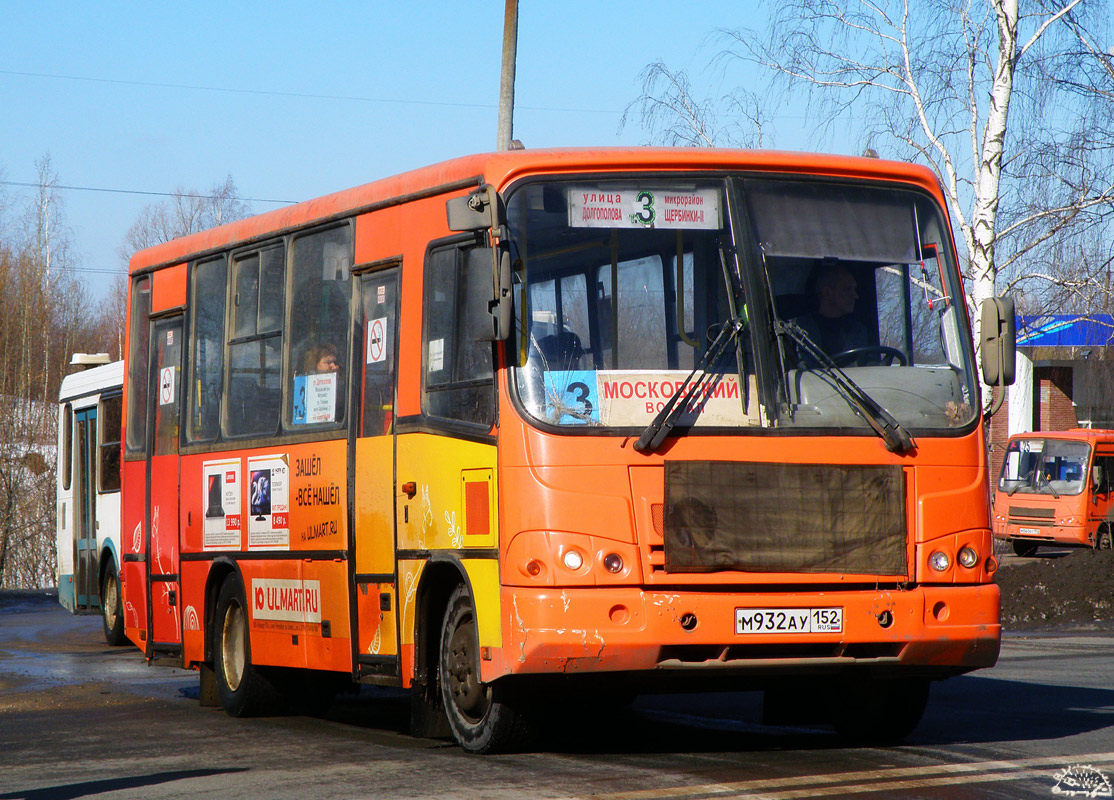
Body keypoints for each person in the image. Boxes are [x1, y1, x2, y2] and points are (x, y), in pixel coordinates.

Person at [794, 264, 869, 357]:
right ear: (827, 292)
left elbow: (868, 364)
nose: (855, 296)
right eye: (848, 289)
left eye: (854, 289)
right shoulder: (801, 329)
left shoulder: (858, 331)